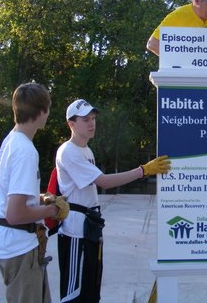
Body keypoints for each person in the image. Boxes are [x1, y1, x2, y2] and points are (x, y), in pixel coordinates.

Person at [56, 99, 171, 302]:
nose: (92, 123)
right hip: (75, 232)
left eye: (93, 119)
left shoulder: (86, 151)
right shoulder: (69, 151)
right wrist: (143, 170)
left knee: (91, 287)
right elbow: (104, 182)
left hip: (89, 228)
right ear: (71, 124)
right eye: (85, 120)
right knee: (74, 294)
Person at [0, 83, 69, 303]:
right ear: (41, 113)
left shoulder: (11, 140)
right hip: (19, 247)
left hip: (8, 242)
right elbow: (15, 214)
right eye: (48, 109)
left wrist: (40, 198)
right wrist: (52, 209)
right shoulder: (25, 151)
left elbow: (9, 195)